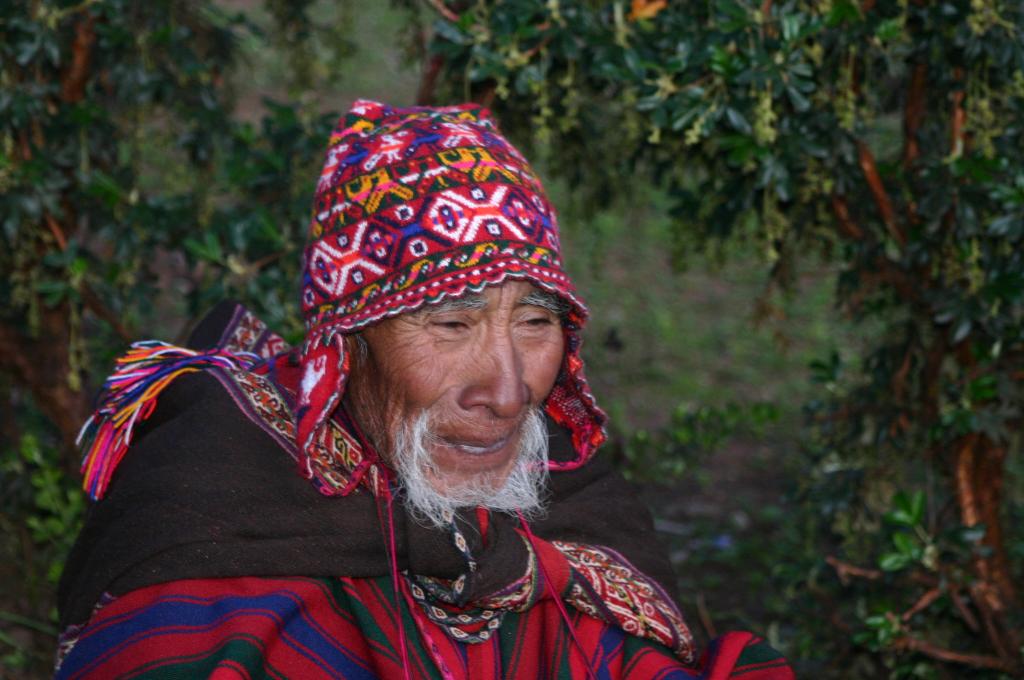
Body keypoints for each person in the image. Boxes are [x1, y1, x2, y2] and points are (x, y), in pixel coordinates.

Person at [55, 101, 793, 679]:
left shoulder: (568, 505)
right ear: (346, 348)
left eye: (535, 322)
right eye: (450, 325)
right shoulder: (210, 526)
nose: (507, 392)